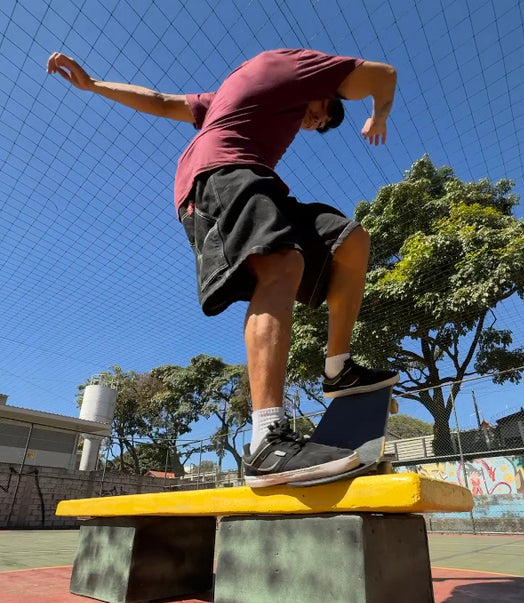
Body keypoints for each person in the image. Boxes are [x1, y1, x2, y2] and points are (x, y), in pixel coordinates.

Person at [47, 48, 399, 487]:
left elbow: (159, 101)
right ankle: (268, 438)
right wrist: (379, 114)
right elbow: (385, 76)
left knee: (350, 241)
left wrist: (94, 85)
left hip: (257, 182)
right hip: (221, 177)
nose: (313, 126)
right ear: (323, 94)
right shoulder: (298, 68)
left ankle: (338, 368)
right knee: (281, 263)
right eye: (322, 117)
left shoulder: (229, 96)